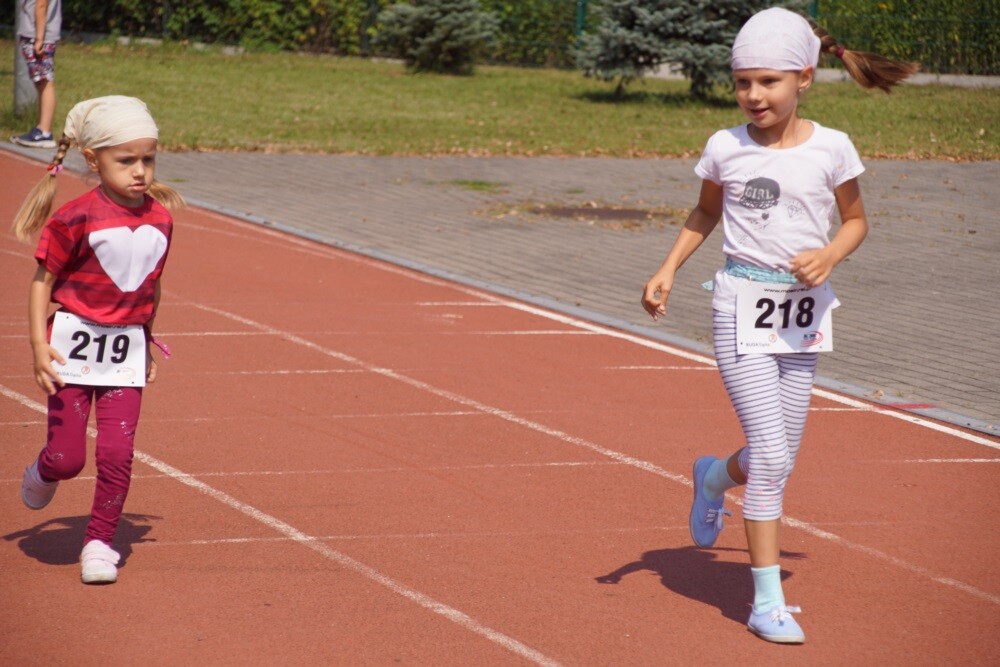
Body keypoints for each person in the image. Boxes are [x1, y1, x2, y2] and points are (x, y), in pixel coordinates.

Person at [640, 8, 916, 644]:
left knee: (780, 457)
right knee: (769, 456)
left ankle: (713, 477)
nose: (754, 95)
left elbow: (856, 221)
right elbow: (704, 213)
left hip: (801, 318)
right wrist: (667, 269)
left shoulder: (832, 147)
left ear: (804, 79)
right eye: (743, 83)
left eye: (768, 81)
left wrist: (829, 255)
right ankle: (766, 603)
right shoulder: (725, 147)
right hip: (739, 308)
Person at [13, 96, 185, 584]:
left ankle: (100, 541)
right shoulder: (76, 217)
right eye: (126, 160)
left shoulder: (161, 219)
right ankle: (44, 470)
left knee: (117, 453)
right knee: (68, 458)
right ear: (93, 159)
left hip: (124, 352)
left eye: (148, 159)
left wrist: (146, 338)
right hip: (71, 347)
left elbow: (149, 284)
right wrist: (38, 345)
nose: (140, 171)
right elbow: (42, 282)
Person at [11, 0, 62, 148]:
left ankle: (44, 131)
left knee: (45, 82)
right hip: (38, 35)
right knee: (41, 82)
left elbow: (41, 5)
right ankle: (42, 128)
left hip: (38, 37)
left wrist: (39, 38)